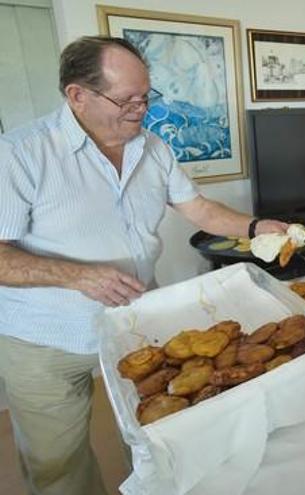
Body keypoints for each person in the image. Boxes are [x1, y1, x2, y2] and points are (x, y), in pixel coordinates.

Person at [0, 36, 288, 495]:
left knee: (151, 432)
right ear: (77, 95)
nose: (141, 109)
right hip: (46, 338)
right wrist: (78, 275)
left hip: (134, 324)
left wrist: (255, 227)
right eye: (127, 99)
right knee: (57, 465)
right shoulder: (19, 154)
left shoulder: (153, 147)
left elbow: (199, 210)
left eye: (146, 96)